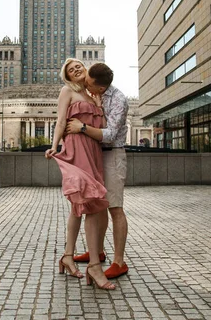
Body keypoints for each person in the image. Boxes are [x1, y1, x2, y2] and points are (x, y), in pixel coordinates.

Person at [45, 58, 115, 290]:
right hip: (76, 148)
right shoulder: (67, 91)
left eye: (79, 67)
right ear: (67, 76)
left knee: (79, 206)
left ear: (85, 71)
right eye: (70, 69)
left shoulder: (93, 96)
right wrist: (55, 145)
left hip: (93, 150)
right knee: (92, 203)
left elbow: (103, 127)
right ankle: (94, 266)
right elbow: (60, 120)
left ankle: (68, 256)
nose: (76, 69)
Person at [66, 62, 130, 279]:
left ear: (101, 88)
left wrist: (82, 128)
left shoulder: (119, 100)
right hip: (93, 155)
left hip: (112, 154)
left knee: (115, 208)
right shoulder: (92, 94)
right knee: (97, 206)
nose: (85, 85)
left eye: (89, 84)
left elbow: (110, 134)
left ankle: (119, 262)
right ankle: (98, 252)